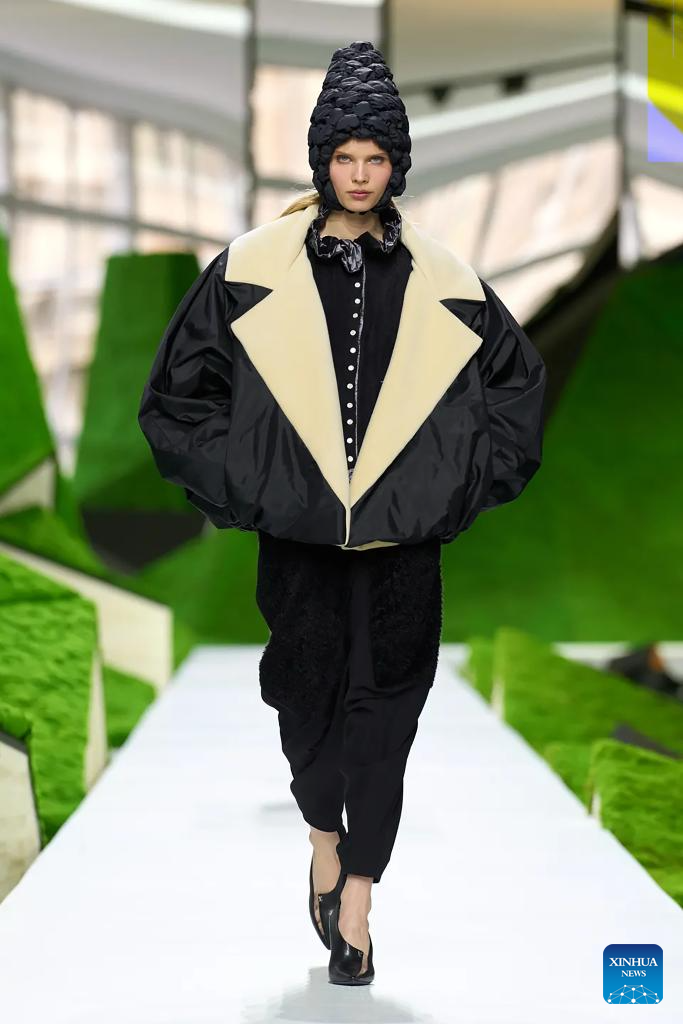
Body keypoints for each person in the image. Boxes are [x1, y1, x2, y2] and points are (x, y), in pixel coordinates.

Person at [138, 40, 547, 986]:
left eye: (376, 158)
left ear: (397, 165)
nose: (360, 175)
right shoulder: (250, 267)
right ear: (320, 160)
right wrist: (252, 482)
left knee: (388, 712)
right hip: (299, 539)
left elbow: (516, 394)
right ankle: (323, 832)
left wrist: (451, 486)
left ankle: (359, 893)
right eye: (344, 157)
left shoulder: (447, 277)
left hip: (405, 542)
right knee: (304, 697)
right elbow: (175, 400)